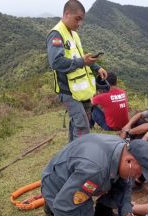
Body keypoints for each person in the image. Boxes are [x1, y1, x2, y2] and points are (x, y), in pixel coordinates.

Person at [41, 134, 148, 216]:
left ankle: (102, 214)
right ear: (129, 161)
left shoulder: (124, 151)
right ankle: (51, 205)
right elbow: (63, 206)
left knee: (119, 181)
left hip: (78, 177)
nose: (137, 177)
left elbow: (125, 185)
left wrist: (127, 213)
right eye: (138, 172)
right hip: (57, 184)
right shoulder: (94, 171)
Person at [47, 0, 107, 142]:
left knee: (78, 123)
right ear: (67, 14)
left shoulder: (74, 34)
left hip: (81, 90)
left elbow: (80, 57)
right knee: (82, 126)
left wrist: (96, 67)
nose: (79, 23)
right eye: (77, 19)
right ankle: (79, 158)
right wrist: (82, 62)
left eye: (82, 20)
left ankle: (71, 154)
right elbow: (56, 62)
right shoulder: (56, 34)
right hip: (67, 91)